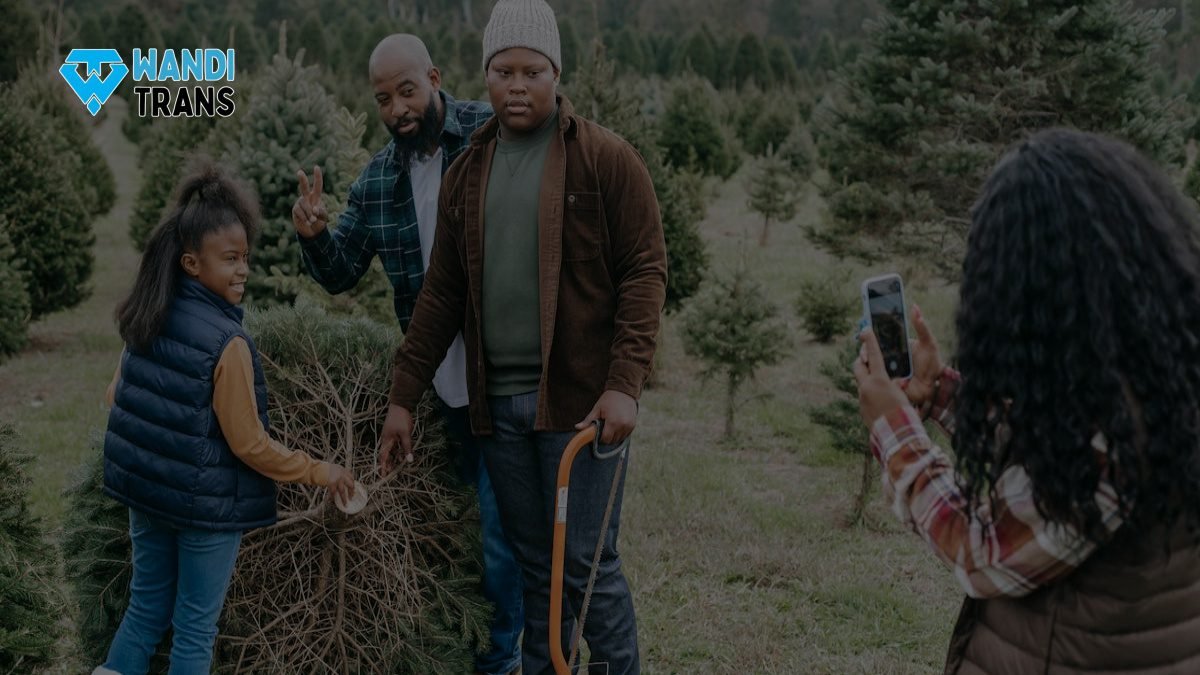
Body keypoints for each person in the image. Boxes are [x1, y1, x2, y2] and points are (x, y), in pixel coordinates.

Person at [378, 1, 667, 672]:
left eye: (530, 71)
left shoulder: (602, 158)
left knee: (588, 565)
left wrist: (623, 386)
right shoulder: (468, 173)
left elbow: (646, 272)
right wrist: (402, 397)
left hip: (580, 407)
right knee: (538, 568)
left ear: (555, 72)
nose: (515, 85)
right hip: (499, 412)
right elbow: (441, 297)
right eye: (501, 71)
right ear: (483, 76)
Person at [853, 128, 1200, 673]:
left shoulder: (1113, 441)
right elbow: (1053, 449)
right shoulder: (1160, 375)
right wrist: (946, 395)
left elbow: (978, 549)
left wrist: (895, 432)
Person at [290, 34, 524, 675]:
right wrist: (313, 236)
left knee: (503, 539)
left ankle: (503, 661)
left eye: (408, 90)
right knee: (462, 530)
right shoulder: (378, 182)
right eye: (383, 99)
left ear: (435, 77)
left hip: (505, 379)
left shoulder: (488, 132)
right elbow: (340, 272)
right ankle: (468, 647)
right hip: (438, 389)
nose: (397, 108)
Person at [94, 161, 356, 675]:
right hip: (205, 511)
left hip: (146, 494)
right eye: (229, 259)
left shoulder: (150, 311)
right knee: (194, 627)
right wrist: (322, 471)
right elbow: (249, 444)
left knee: (146, 608)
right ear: (193, 264)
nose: (242, 270)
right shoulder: (228, 342)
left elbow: (114, 396)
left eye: (246, 258)